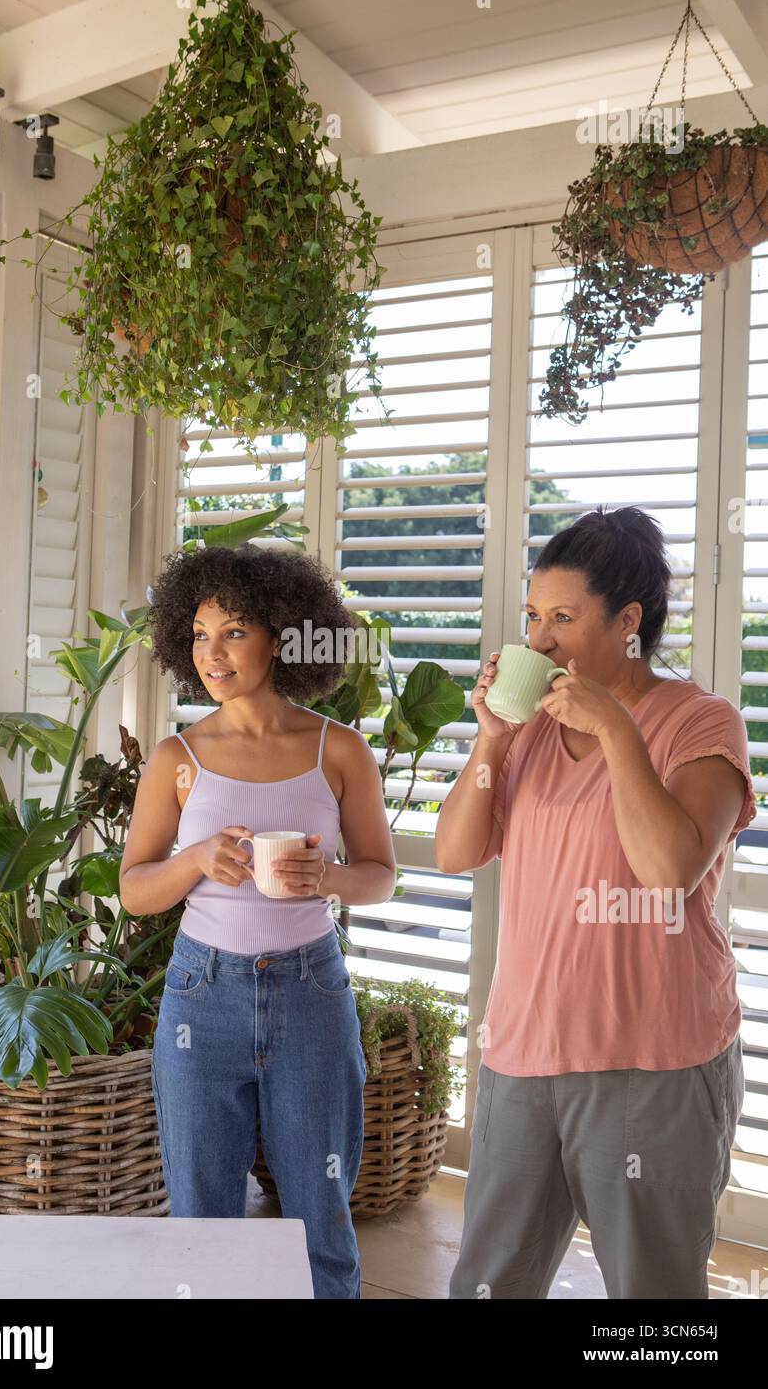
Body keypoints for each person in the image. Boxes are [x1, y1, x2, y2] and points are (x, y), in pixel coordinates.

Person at [436, 505, 755, 1300]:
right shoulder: (533, 728)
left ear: (628, 622)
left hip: (654, 1061)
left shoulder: (701, 722)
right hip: (524, 1052)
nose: (540, 640)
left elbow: (670, 870)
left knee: (652, 1297)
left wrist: (617, 732)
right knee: (489, 1282)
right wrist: (490, 741)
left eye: (565, 619)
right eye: (534, 617)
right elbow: (455, 852)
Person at [119, 541, 396, 1299]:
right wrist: (196, 859)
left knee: (320, 1221)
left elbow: (381, 874)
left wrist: (330, 878)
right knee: (203, 1224)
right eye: (200, 635)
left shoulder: (340, 751)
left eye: (234, 631)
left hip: (312, 995)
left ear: (282, 635)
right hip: (201, 1000)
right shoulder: (177, 757)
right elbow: (137, 890)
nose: (213, 653)